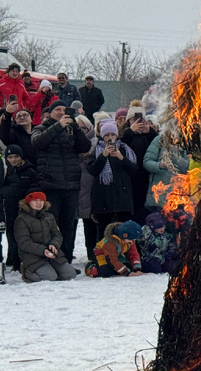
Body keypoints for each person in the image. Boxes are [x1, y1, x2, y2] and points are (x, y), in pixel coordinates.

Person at [31, 99, 92, 263]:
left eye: (64, 109)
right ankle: (51, 260)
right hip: (50, 185)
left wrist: (77, 128)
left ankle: (65, 261)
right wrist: (58, 126)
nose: (61, 112)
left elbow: (85, 147)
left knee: (68, 226)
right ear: (50, 112)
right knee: (51, 226)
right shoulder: (40, 128)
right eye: (57, 109)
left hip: (71, 186)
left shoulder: (72, 129)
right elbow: (38, 142)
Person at [88, 119, 138, 235]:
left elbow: (133, 169)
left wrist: (121, 157)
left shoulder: (124, 149)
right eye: (107, 135)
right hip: (103, 199)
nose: (110, 137)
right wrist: (103, 156)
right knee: (104, 232)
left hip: (122, 197)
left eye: (112, 134)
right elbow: (92, 170)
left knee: (124, 232)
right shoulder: (96, 149)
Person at [14, 191, 77, 282]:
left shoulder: (49, 216)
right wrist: (43, 250)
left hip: (51, 253)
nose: (38, 203)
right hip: (32, 255)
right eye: (35, 201)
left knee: (70, 275)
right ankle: (27, 272)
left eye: (41, 200)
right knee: (49, 277)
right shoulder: (21, 219)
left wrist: (54, 244)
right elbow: (24, 242)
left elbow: (57, 234)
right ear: (28, 202)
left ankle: (50, 269)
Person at [2, 145, 35, 272]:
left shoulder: (29, 170)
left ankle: (22, 260)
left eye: (16, 157)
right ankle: (13, 259)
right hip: (9, 207)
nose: (13, 160)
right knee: (10, 234)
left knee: (24, 235)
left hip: (24, 208)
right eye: (10, 157)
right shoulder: (5, 171)